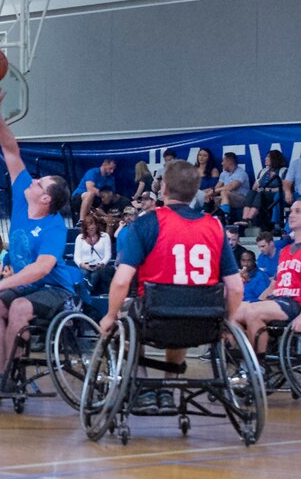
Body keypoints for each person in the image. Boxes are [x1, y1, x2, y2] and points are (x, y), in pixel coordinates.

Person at [98, 158, 244, 372]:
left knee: (129, 315)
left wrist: (110, 316)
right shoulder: (215, 226)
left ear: (163, 188)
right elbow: (236, 287)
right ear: (196, 191)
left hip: (155, 319)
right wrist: (229, 321)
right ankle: (171, 380)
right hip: (205, 322)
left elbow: (121, 281)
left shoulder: (146, 223)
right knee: (183, 307)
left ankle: (143, 386)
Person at [0, 88, 70, 400]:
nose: (33, 181)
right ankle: (0, 377)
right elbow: (11, 150)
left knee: (19, 307)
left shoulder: (54, 227)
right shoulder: (22, 195)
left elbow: (42, 269)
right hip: (24, 283)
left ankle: (8, 376)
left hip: (55, 288)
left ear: (46, 198)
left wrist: (2, 284)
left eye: (40, 183)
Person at [233, 196, 301, 355]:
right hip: (278, 299)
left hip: (298, 302)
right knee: (230, 313)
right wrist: (259, 300)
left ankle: (256, 366)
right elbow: (275, 284)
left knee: (252, 312)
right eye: (291, 211)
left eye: (298, 211)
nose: (291, 215)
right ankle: (246, 356)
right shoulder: (285, 250)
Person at [73, 209, 114, 292]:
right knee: (84, 273)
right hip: (85, 265)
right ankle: (87, 291)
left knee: (96, 274)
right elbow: (76, 257)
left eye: (92, 227)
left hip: (100, 265)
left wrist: (102, 263)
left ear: (96, 226)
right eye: (88, 229)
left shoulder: (105, 236)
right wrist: (83, 265)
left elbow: (107, 255)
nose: (91, 230)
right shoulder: (79, 238)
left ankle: (88, 291)